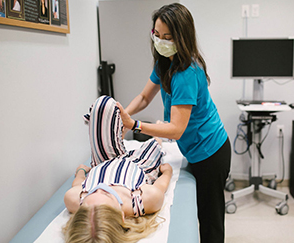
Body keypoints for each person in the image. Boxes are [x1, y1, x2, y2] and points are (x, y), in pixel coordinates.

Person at [117, 3, 231, 243]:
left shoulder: (187, 73)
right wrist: (121, 115)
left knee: (210, 220)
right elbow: (144, 96)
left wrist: (135, 125)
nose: (160, 41)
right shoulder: (164, 62)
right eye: (156, 35)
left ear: (182, 37)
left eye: (167, 37)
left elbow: (176, 130)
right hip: (195, 149)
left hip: (211, 152)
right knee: (206, 214)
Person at [63, 95, 173, 243]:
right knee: (152, 145)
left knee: (103, 104)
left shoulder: (74, 200)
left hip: (104, 162)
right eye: (108, 195)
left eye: (94, 191)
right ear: (122, 215)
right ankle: (158, 132)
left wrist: (81, 172)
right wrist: (167, 173)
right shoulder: (139, 201)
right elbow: (160, 187)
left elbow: (78, 185)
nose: (103, 188)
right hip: (138, 166)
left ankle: (118, 132)